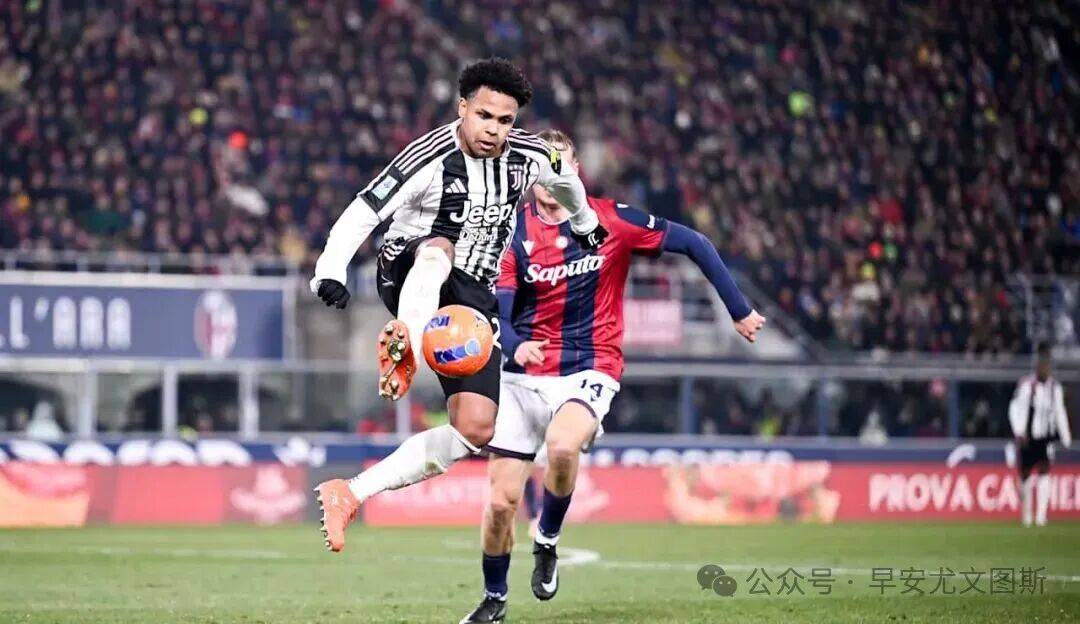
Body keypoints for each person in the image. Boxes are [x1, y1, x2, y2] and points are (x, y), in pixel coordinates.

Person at [460, 130, 765, 623]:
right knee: (500, 504)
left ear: (575, 171)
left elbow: (694, 242)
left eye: (560, 166)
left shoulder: (612, 220)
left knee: (563, 446)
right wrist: (515, 345)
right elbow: (503, 311)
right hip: (523, 374)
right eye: (542, 168)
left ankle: (547, 539)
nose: (551, 178)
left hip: (590, 364)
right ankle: (494, 599)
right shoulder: (512, 233)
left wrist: (739, 309)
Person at [308, 59, 608, 553]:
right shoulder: (426, 157)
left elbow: (566, 181)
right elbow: (365, 209)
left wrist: (584, 224)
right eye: (484, 116)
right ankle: (404, 343)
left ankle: (351, 492)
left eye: (505, 120)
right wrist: (330, 270)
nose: (493, 130)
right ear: (462, 107)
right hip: (408, 268)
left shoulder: (531, 156)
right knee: (440, 247)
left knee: (475, 428)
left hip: (472, 298)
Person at [1009, 343, 1072, 527]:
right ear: (1036, 367)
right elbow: (1014, 408)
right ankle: (1027, 515)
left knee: (1044, 471)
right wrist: (1018, 431)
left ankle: (1041, 516)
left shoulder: (1055, 388)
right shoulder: (1026, 386)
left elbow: (1060, 412)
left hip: (1045, 437)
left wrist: (1065, 437)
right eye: (1041, 366)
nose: (1044, 369)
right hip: (1027, 437)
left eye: (1046, 366)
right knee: (1025, 475)